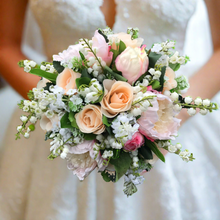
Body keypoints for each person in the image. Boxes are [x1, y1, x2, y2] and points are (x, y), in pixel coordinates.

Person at [0, 0, 220, 219]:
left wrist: (169, 115)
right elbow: (5, 45)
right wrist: (64, 108)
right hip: (58, 135)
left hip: (171, 129)